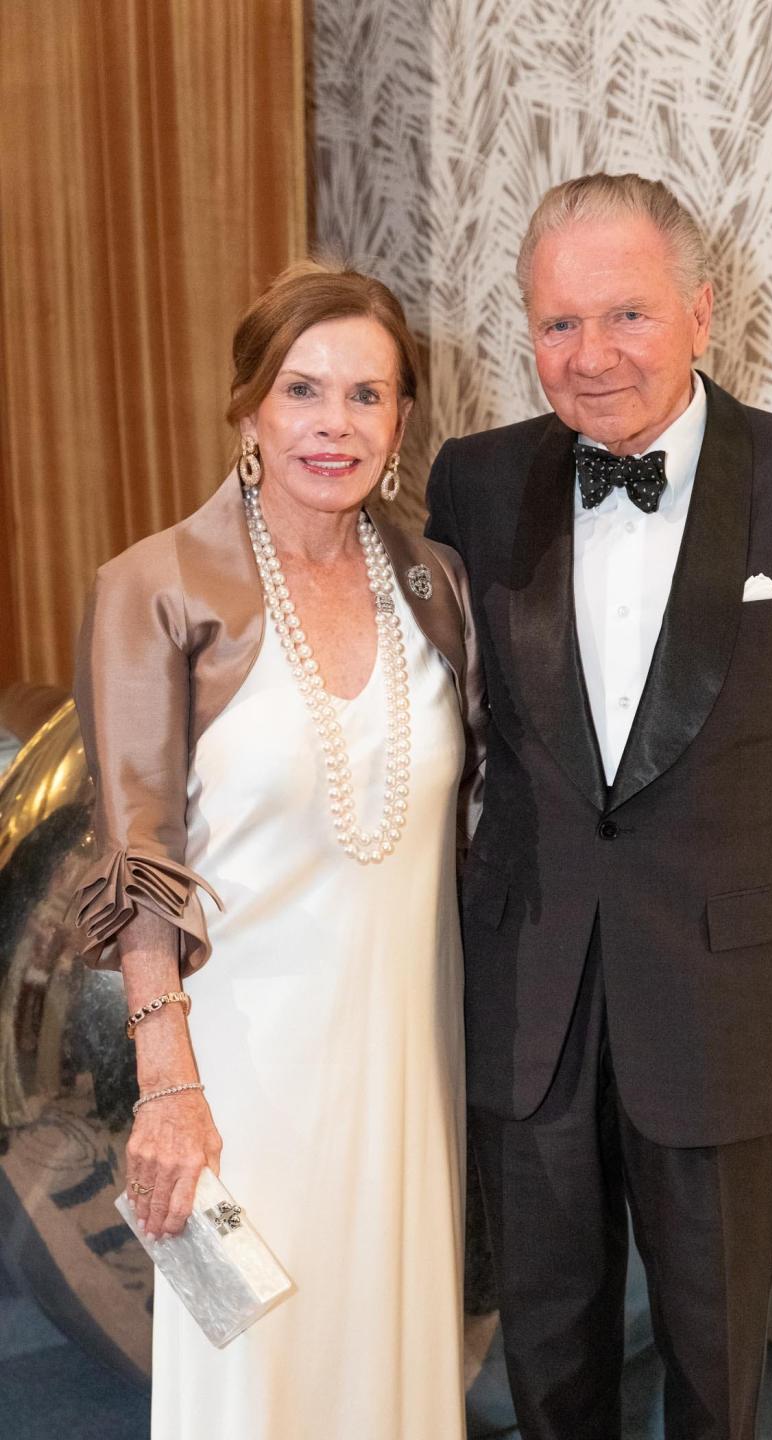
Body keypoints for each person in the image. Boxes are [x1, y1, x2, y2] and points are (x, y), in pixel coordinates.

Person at [426, 173, 772, 1440]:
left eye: (626, 315)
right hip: (527, 989)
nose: (590, 358)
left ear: (701, 310)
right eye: (557, 325)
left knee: (712, 1346)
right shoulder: (471, 483)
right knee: (546, 1342)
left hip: (725, 997)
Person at [69, 259, 483, 1440]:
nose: (334, 425)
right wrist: (169, 1091)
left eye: (368, 394)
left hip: (410, 1058)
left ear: (403, 418)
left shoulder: (434, 587)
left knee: (393, 1357)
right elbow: (135, 854)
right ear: (249, 406)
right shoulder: (153, 586)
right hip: (231, 1077)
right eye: (304, 391)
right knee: (254, 1380)